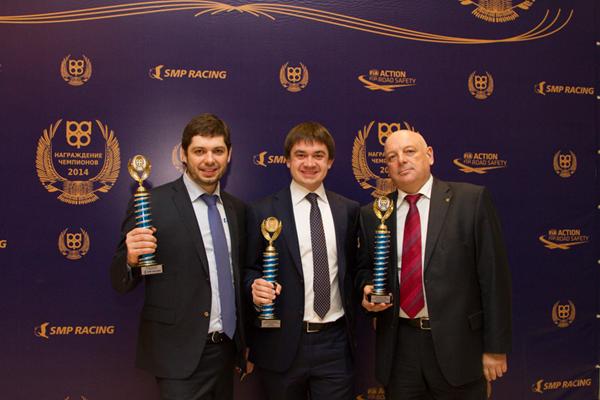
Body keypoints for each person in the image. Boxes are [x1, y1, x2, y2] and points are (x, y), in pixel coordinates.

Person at [356, 129, 512, 400]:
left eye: (409, 151)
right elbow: (364, 269)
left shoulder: (470, 201)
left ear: (429, 155)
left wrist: (496, 348)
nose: (401, 160)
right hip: (400, 349)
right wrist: (367, 288)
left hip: (459, 346)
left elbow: (494, 277)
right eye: (392, 156)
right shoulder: (373, 213)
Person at [110, 113, 247, 400]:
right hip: (177, 355)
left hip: (226, 352)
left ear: (229, 155)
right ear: (183, 154)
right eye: (199, 151)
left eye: (217, 151)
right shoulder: (151, 204)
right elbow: (120, 280)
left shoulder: (238, 209)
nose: (209, 160)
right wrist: (131, 260)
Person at [245, 121, 360, 400]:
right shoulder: (262, 211)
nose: (309, 163)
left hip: (335, 344)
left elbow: (357, 269)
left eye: (318, 155)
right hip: (281, 344)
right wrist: (253, 286)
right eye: (300, 155)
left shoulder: (349, 210)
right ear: (287, 160)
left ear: (330, 162)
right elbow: (248, 269)